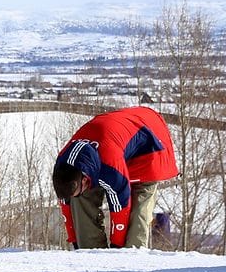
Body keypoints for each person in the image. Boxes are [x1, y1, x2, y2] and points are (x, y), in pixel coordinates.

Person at [52, 106, 178, 249]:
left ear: (85, 179)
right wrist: (75, 241)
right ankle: (90, 254)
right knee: (79, 199)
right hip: (113, 146)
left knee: (137, 214)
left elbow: (120, 209)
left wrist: (117, 249)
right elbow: (66, 205)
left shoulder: (111, 167)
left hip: (149, 146)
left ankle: (132, 259)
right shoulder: (63, 166)